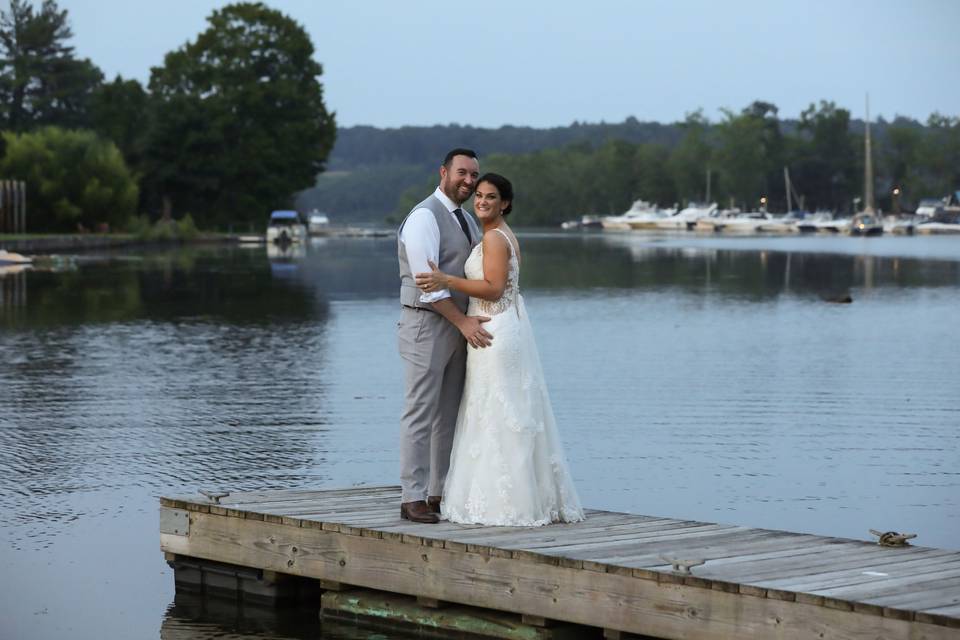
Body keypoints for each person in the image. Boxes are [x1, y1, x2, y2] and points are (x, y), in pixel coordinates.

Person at [415, 173, 584, 526]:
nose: (482, 202)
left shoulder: (493, 238)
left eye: (491, 197)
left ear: (504, 203)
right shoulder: (499, 234)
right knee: (505, 410)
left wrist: (446, 280)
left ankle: (506, 503)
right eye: (478, 195)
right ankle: (522, 497)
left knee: (495, 412)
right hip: (505, 327)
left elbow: (492, 288)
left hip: (493, 331)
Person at [396, 148, 494, 524]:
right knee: (420, 411)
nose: (469, 181)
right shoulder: (424, 217)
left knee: (449, 413)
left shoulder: (467, 220)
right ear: (443, 172)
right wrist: (465, 323)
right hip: (425, 323)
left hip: (456, 326)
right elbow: (428, 286)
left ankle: (439, 491)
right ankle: (411, 497)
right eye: (462, 173)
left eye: (474, 175)